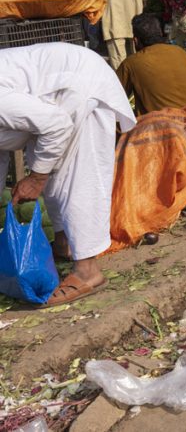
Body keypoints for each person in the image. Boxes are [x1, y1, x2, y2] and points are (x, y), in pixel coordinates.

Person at [0, 43, 135, 306]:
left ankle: (88, 272)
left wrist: (36, 177)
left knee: (74, 179)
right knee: (52, 176)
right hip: (57, 96)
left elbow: (56, 124)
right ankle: (64, 245)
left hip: (79, 85)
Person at [116, 14, 186, 115]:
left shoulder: (131, 63)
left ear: (135, 41)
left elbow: (112, 98)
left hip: (163, 124)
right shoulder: (181, 53)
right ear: (161, 33)